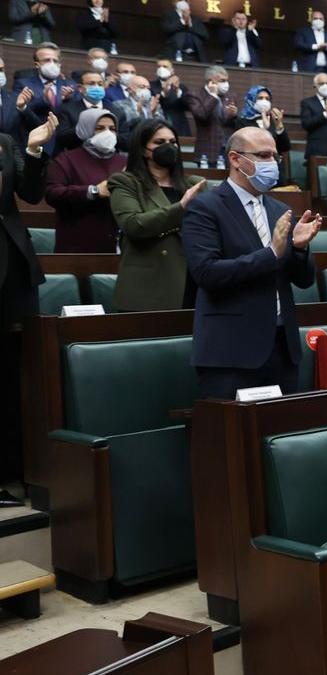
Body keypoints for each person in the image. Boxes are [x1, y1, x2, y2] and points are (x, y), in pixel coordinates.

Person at [182, 127, 321, 399]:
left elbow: (304, 280)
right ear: (235, 159)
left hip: (282, 347)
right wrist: (271, 253)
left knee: (283, 434)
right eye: (263, 155)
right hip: (231, 350)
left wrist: (300, 249)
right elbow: (207, 273)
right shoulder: (205, 207)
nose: (271, 163)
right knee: (235, 438)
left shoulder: (280, 210)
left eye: (274, 157)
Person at [0, 115, 53, 493]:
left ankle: (11, 472)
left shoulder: (5, 142)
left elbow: (32, 193)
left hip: (10, 272)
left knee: (11, 375)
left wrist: (33, 149)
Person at [109, 119, 205, 312]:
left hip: (194, 280)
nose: (168, 147)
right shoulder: (126, 182)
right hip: (151, 286)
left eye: (173, 142)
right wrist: (181, 207)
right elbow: (133, 225)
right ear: (143, 149)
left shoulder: (193, 184)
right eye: (159, 143)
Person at [45, 108, 126, 252]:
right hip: (76, 242)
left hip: (115, 242)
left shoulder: (123, 162)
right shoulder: (66, 160)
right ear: (86, 129)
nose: (107, 133)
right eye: (99, 128)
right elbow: (52, 194)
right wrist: (92, 191)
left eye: (112, 129)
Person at [51, 70, 112, 155]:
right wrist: (85, 126)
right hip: (75, 158)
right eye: (91, 84)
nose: (97, 87)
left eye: (100, 84)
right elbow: (62, 138)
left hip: (107, 159)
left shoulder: (115, 110)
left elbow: (125, 141)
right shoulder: (67, 109)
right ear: (80, 88)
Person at [185, 66, 236, 163]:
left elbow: (228, 123)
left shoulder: (230, 96)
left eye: (226, 80)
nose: (226, 84)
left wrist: (233, 115)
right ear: (210, 81)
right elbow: (201, 115)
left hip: (226, 149)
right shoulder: (195, 95)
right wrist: (212, 96)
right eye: (222, 80)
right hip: (207, 150)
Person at [232, 86, 290, 163]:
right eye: (260, 98)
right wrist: (264, 130)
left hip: (274, 164)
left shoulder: (273, 120)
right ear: (251, 100)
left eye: (267, 99)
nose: (264, 101)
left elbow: (285, 147)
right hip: (252, 164)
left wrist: (279, 125)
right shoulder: (242, 121)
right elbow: (246, 146)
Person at [299, 73, 327, 159]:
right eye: (321, 83)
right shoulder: (307, 103)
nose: (325, 86)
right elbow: (306, 124)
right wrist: (325, 114)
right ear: (315, 86)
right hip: (317, 150)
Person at [111, 76, 165, 142]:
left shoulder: (153, 104)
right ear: (129, 89)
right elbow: (126, 127)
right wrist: (138, 112)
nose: (146, 90)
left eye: (148, 88)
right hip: (131, 142)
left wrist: (153, 113)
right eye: (142, 87)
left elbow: (162, 125)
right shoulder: (119, 105)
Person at [150, 60, 189, 135]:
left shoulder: (182, 87)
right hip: (158, 126)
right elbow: (153, 105)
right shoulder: (151, 85)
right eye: (159, 66)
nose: (161, 69)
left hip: (179, 127)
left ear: (172, 71)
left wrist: (178, 91)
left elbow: (187, 106)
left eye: (165, 66)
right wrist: (164, 93)